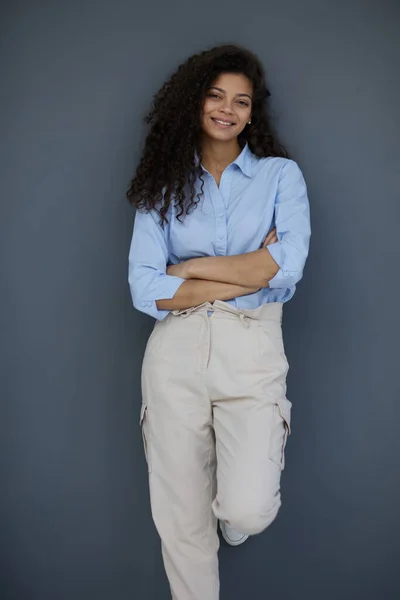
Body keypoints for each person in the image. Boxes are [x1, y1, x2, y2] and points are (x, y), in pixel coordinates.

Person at [126, 43, 311, 600]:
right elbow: (145, 287)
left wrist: (192, 267)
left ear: (253, 113)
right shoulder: (162, 183)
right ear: (194, 102)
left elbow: (289, 267)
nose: (227, 109)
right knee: (181, 525)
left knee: (248, 508)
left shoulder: (281, 176)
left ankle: (231, 521)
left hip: (251, 348)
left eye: (242, 101)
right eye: (215, 95)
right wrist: (250, 271)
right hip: (175, 353)